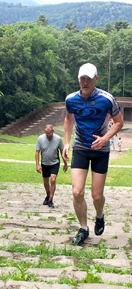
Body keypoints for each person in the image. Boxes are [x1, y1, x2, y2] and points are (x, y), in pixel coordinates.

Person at [63, 63, 123, 246]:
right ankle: (83, 228)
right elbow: (68, 118)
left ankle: (99, 215)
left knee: (97, 196)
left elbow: (119, 122)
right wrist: (66, 142)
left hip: (100, 149)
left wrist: (105, 139)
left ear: (96, 79)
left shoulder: (107, 99)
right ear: (78, 79)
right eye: (82, 78)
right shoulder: (71, 99)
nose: (85, 82)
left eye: (89, 78)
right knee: (77, 191)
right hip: (81, 146)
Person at [35, 124, 68, 208]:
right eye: (47, 134)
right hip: (45, 163)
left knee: (53, 180)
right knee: (46, 181)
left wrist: (65, 163)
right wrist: (37, 165)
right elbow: (37, 152)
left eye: (50, 134)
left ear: (53, 131)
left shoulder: (58, 139)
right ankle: (48, 194)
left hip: (55, 162)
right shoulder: (40, 139)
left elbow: (61, 151)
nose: (48, 136)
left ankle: (50, 199)